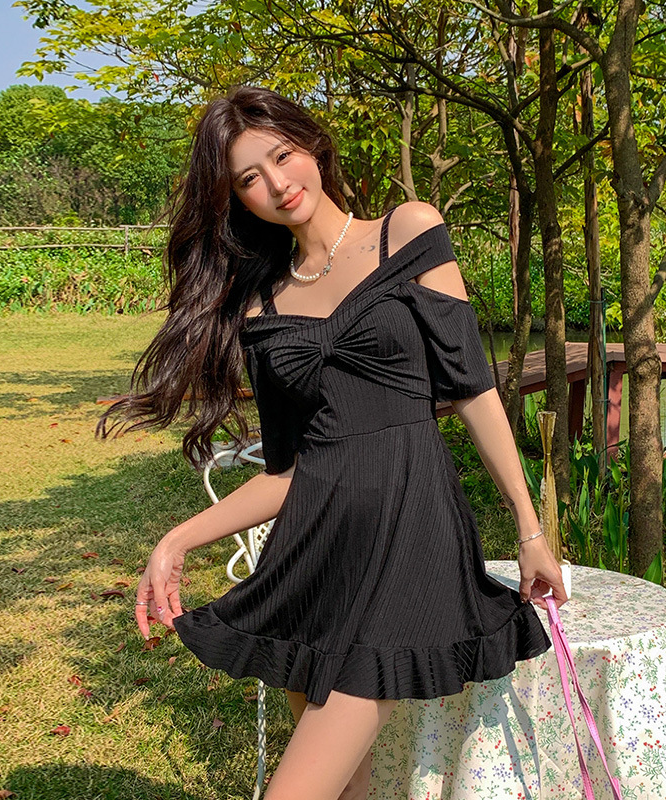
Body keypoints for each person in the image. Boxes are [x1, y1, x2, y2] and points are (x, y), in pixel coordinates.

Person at [97, 84, 567, 800]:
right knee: (346, 793)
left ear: (312, 145)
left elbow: (474, 391)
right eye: (249, 178)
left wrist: (529, 529)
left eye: (283, 156)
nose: (277, 183)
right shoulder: (262, 307)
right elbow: (286, 472)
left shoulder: (408, 230)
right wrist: (177, 540)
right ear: (236, 200)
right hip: (314, 555)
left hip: (409, 537)